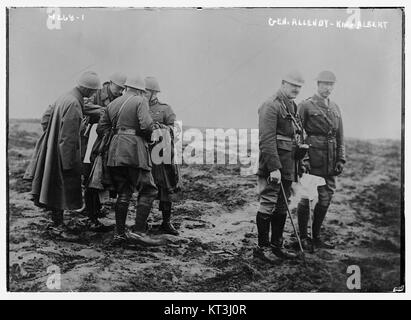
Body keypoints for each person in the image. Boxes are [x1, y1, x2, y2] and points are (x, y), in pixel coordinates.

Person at [24, 71, 101, 240]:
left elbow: (45, 118)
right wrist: (69, 163)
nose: (94, 93)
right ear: (87, 89)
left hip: (54, 149)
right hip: (62, 154)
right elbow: (69, 137)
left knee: (52, 188)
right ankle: (58, 226)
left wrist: (52, 135)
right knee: (59, 190)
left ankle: (57, 223)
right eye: (94, 90)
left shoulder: (65, 97)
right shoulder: (73, 104)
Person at [96, 74, 162, 246]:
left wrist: (118, 136)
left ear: (126, 87)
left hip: (114, 152)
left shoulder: (112, 103)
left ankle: (119, 234)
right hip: (134, 151)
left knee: (124, 192)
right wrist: (148, 137)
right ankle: (139, 233)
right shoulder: (140, 101)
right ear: (141, 90)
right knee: (148, 189)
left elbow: (101, 128)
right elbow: (146, 125)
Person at [254, 71, 305, 262]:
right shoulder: (271, 105)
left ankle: (277, 246)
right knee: (268, 203)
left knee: (282, 206)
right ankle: (262, 248)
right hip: (273, 166)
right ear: (283, 83)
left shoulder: (292, 106)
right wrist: (274, 167)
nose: (296, 89)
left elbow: (295, 137)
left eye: (299, 87)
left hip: (289, 165)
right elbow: (266, 139)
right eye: (293, 85)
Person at [296, 71, 346, 249]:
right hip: (312, 160)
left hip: (330, 161)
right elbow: (298, 134)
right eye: (324, 84)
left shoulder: (335, 107)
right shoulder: (306, 106)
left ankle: (316, 236)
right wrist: (305, 158)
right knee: (306, 197)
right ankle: (303, 237)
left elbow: (340, 135)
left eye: (331, 84)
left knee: (326, 198)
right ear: (317, 84)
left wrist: (341, 159)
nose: (328, 88)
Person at [81, 72, 127, 231]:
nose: (120, 91)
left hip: (108, 141)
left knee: (104, 177)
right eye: (119, 88)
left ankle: (96, 209)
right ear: (111, 83)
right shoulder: (97, 94)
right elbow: (84, 106)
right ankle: (90, 215)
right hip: (92, 139)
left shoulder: (120, 97)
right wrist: (105, 111)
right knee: (90, 177)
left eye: (123, 89)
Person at [144, 76, 180, 235]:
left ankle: (166, 222)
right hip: (144, 154)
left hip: (162, 154)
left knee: (166, 188)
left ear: (153, 93)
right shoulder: (139, 107)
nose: (143, 94)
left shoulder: (165, 109)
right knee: (145, 189)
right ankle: (142, 222)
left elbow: (175, 129)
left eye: (146, 92)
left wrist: (162, 128)